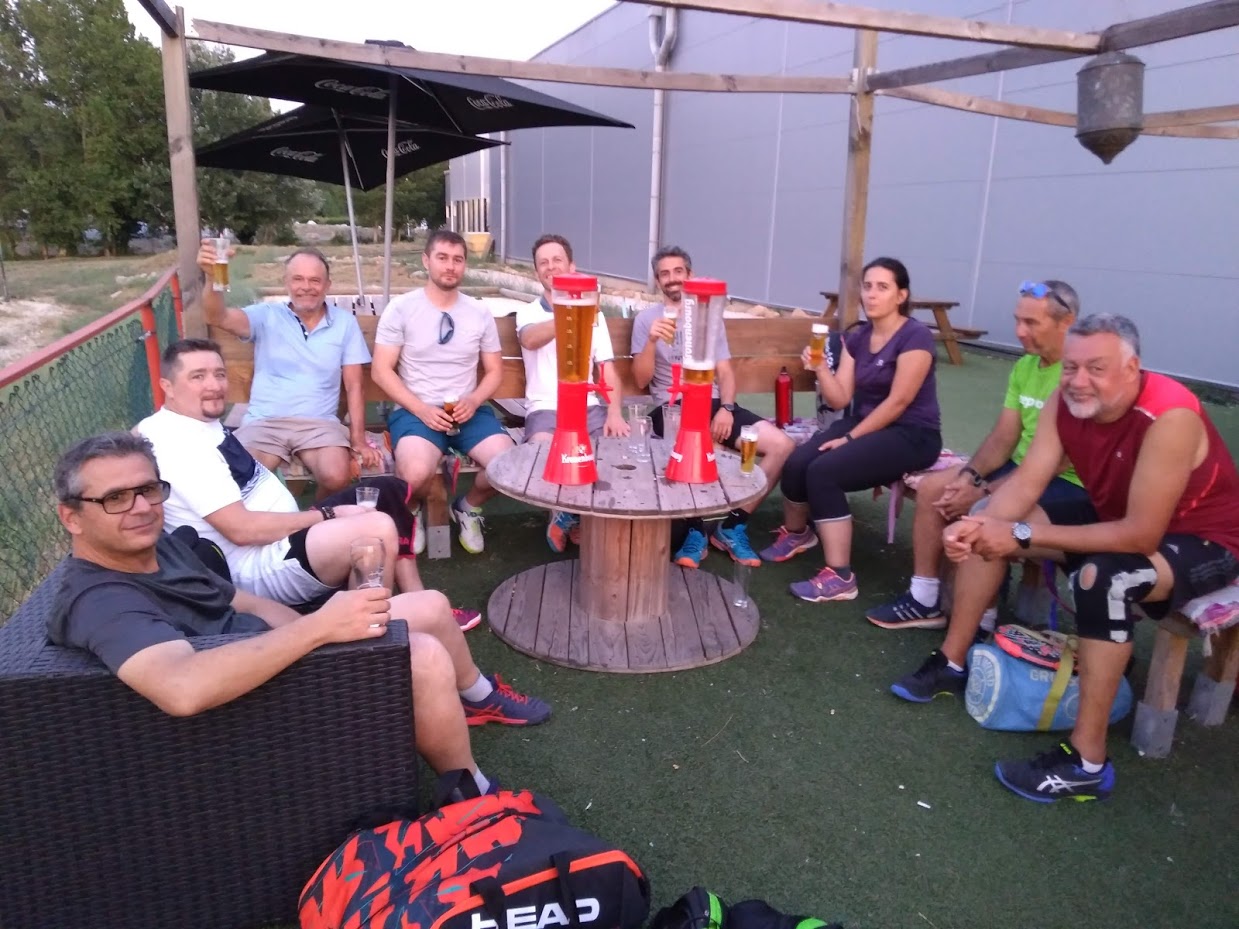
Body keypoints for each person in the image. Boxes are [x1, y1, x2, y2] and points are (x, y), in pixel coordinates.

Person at [47, 435, 550, 797]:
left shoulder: (157, 546)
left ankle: (478, 698)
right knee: (421, 655)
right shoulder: (101, 599)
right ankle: (473, 795)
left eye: (148, 490)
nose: (140, 507)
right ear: (71, 516)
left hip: (275, 654)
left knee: (431, 605)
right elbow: (183, 689)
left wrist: (316, 630)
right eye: (115, 498)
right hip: (248, 702)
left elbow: (239, 601)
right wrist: (319, 630)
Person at [892, 314, 1239, 802]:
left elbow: (1141, 534)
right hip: (1118, 517)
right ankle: (953, 660)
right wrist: (981, 525)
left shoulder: (1169, 414)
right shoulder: (1065, 400)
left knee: (1104, 578)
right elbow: (1029, 482)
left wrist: (1019, 533)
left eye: (1096, 368)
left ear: (1132, 368)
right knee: (992, 521)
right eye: (1072, 367)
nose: (1078, 380)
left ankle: (1087, 762)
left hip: (1206, 540)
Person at [136, 339, 483, 632]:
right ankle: (370, 637)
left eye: (219, 374)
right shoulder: (180, 445)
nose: (214, 385)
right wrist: (327, 515)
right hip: (260, 567)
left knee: (388, 491)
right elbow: (241, 530)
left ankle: (411, 601)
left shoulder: (191, 422)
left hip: (278, 540)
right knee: (376, 527)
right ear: (167, 386)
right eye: (198, 376)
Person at [866, 279, 1085, 630]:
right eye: (1018, 320)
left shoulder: (1079, 374)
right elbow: (1003, 437)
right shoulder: (1026, 366)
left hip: (1067, 481)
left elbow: (1058, 462)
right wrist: (969, 477)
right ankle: (924, 598)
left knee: (985, 512)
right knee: (934, 488)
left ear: (1067, 322)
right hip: (1021, 468)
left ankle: (982, 621)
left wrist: (983, 490)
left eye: (1031, 323)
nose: (1019, 331)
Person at [763, 257, 942, 603]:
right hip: (865, 423)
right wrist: (820, 368)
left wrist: (848, 439)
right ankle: (798, 534)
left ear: (901, 295)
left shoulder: (915, 336)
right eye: (867, 286)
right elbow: (841, 397)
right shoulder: (858, 337)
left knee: (824, 471)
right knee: (798, 461)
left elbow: (899, 402)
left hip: (912, 433)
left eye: (882, 287)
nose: (871, 294)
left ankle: (840, 576)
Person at [630, 245, 795, 568]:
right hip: (672, 406)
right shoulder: (647, 320)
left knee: (782, 445)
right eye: (664, 274)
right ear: (658, 281)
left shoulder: (707, 317)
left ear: (690, 275)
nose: (672, 278)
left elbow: (726, 372)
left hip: (714, 402)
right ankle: (695, 531)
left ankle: (732, 526)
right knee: (685, 449)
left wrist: (727, 408)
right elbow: (640, 380)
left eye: (678, 271)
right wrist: (651, 340)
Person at [198, 241, 381, 499]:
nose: (306, 287)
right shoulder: (266, 315)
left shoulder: (344, 323)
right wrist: (211, 279)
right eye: (298, 279)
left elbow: (355, 385)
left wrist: (358, 439)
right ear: (286, 282)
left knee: (336, 476)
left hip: (319, 424)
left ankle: (314, 517)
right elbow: (217, 317)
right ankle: (276, 521)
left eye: (315, 280)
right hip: (265, 422)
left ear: (327, 285)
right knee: (241, 477)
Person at [370, 229, 514, 555]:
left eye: (457, 259)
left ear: (464, 265)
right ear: (427, 261)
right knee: (414, 473)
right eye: (442, 258)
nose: (450, 266)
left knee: (509, 467)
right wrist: (421, 409)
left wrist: (474, 400)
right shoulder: (402, 308)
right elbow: (381, 370)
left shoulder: (478, 312)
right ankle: (411, 511)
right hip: (416, 410)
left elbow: (495, 370)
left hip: (467, 410)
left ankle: (467, 507)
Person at [518, 234, 629, 551]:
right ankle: (567, 514)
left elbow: (607, 369)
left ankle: (578, 516)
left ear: (572, 266)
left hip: (588, 406)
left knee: (620, 452)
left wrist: (614, 411)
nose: (550, 267)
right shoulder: (529, 313)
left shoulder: (595, 314)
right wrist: (570, 310)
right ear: (537, 272)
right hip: (545, 410)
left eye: (557, 260)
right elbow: (529, 340)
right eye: (543, 263)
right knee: (543, 452)